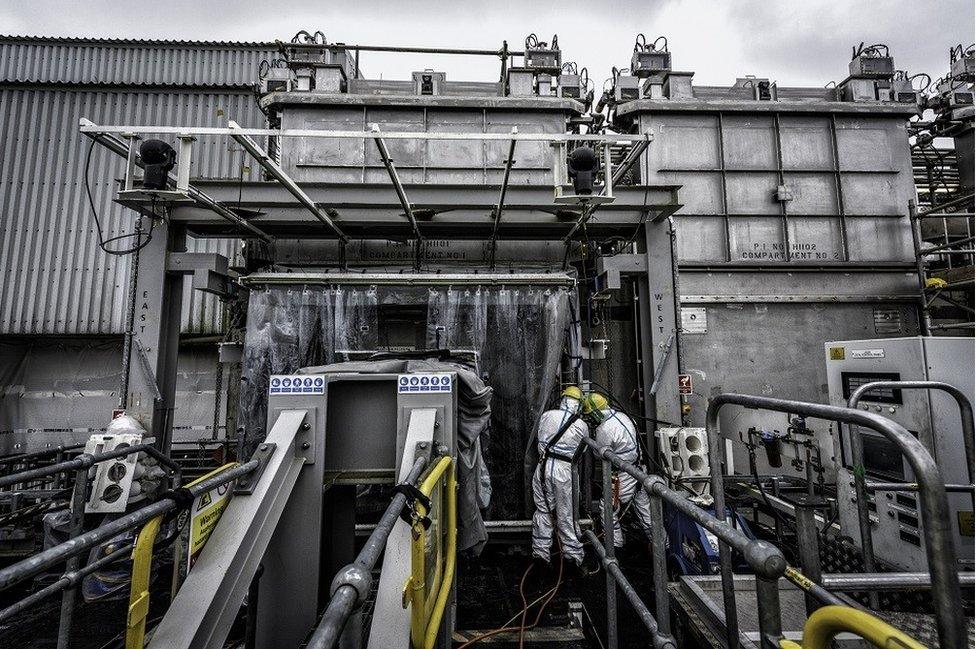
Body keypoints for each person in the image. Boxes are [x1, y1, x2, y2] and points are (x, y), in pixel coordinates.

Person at [582, 392, 653, 548]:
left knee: (607, 508)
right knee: (645, 512)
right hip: (639, 469)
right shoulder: (623, 416)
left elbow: (599, 453)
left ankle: (615, 547)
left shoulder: (604, 429)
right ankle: (662, 546)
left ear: (596, 412)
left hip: (623, 475)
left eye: (591, 415)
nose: (591, 419)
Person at [531, 385, 588, 566]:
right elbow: (583, 449)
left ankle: (541, 552)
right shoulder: (581, 425)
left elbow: (539, 438)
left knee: (543, 509)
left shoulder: (547, 416)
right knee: (566, 513)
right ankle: (572, 555)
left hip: (542, 466)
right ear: (578, 405)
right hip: (564, 470)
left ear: (563, 400)